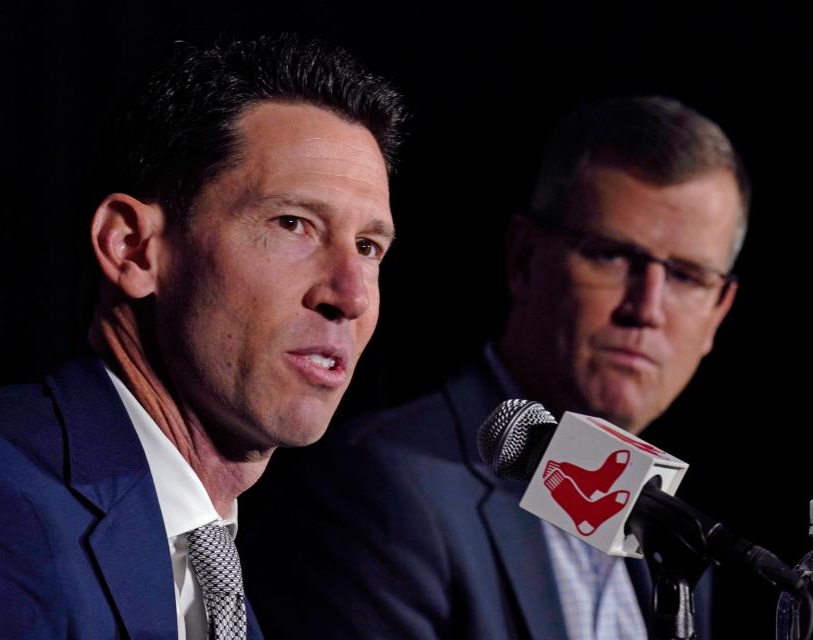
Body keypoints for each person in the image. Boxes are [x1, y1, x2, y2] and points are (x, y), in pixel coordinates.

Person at [0, 35, 403, 639]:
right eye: (293, 224)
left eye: (369, 247)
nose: (349, 296)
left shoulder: (212, 563)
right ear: (133, 248)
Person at [241, 96, 747, 640]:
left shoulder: (675, 539)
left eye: (688, 277)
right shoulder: (383, 490)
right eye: (610, 255)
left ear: (719, 312)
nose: (645, 310)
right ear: (524, 259)